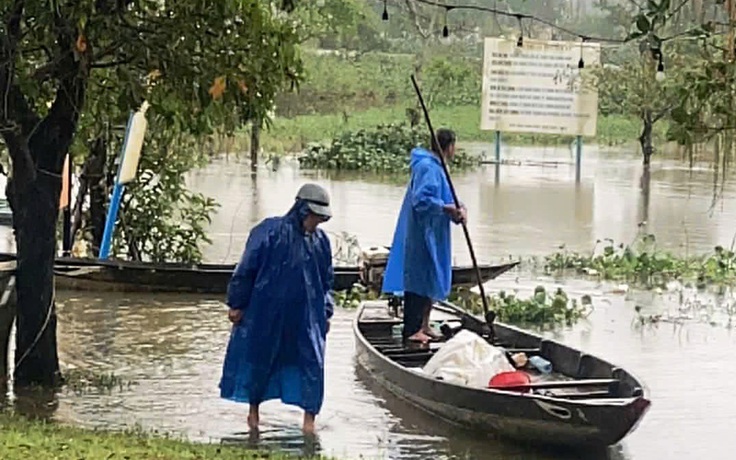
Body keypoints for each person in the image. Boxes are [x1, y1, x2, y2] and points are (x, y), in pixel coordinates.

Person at [219, 183, 334, 435]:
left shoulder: (321, 242)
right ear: (302, 210)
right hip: (266, 312)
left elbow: (326, 281)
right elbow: (246, 270)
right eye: (314, 215)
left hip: (306, 317)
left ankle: (309, 423)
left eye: (320, 217)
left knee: (312, 365)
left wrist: (326, 311)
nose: (317, 221)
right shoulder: (269, 232)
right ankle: (253, 416)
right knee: (260, 359)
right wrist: (237, 303)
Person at [382, 128, 467, 344]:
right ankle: (412, 329)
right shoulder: (427, 167)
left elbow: (448, 198)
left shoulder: (440, 168)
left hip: (436, 233)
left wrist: (458, 211)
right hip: (422, 233)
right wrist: (446, 209)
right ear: (448, 147)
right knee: (418, 279)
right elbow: (422, 201)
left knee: (430, 278)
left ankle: (425, 324)